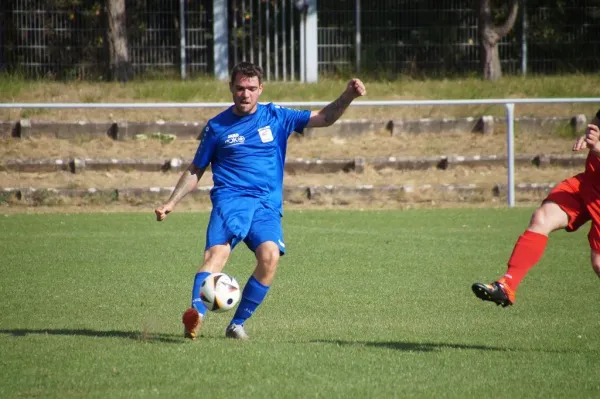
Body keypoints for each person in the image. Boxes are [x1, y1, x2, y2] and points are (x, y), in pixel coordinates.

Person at [155, 61, 366, 339]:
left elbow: (324, 118)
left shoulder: (277, 116)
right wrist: (172, 202)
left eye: (251, 88)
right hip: (230, 202)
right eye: (240, 88)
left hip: (266, 205)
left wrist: (348, 95)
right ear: (231, 88)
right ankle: (195, 316)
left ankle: (237, 324)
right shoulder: (217, 127)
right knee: (216, 256)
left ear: (260, 89)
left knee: (270, 257)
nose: (245, 94)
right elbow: (196, 168)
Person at [472, 108, 600, 307]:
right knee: (542, 218)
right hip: (588, 183)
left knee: (598, 263)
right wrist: (589, 136)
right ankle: (508, 285)